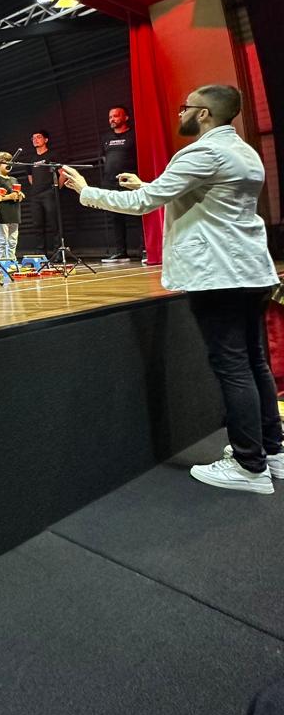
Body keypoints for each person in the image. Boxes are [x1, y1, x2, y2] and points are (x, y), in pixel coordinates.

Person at [62, 84, 282, 495]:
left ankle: (249, 466)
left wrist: (84, 191)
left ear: (204, 114)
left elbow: (144, 203)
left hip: (218, 275)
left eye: (186, 107)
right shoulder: (244, 151)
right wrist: (148, 184)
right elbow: (204, 197)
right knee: (255, 363)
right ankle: (272, 450)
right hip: (252, 271)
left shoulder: (201, 152)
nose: (180, 113)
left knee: (233, 366)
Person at [100, 105, 141, 263]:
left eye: (116, 116)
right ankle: (120, 252)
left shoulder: (133, 135)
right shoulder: (106, 138)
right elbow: (105, 158)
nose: (112, 119)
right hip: (111, 182)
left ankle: (145, 249)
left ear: (126, 117)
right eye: (110, 117)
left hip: (130, 182)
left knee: (138, 215)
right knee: (115, 218)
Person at [26, 129, 59, 255]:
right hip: (35, 195)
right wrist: (36, 187)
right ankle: (41, 253)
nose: (35, 140)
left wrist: (56, 188)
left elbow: (62, 173)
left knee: (54, 223)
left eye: (38, 137)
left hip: (49, 193)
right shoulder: (31, 159)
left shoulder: (52, 155)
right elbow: (30, 177)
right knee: (37, 224)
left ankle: (57, 252)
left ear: (46, 140)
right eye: (33, 138)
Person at [0, 152, 25, 260]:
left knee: (13, 240)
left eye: (10, 162)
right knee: (2, 239)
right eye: (5, 162)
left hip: (14, 212)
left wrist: (19, 195)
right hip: (3, 213)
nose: (8, 165)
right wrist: (9, 197)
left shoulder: (14, 179)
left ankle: (12, 259)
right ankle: (2, 260)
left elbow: (18, 195)